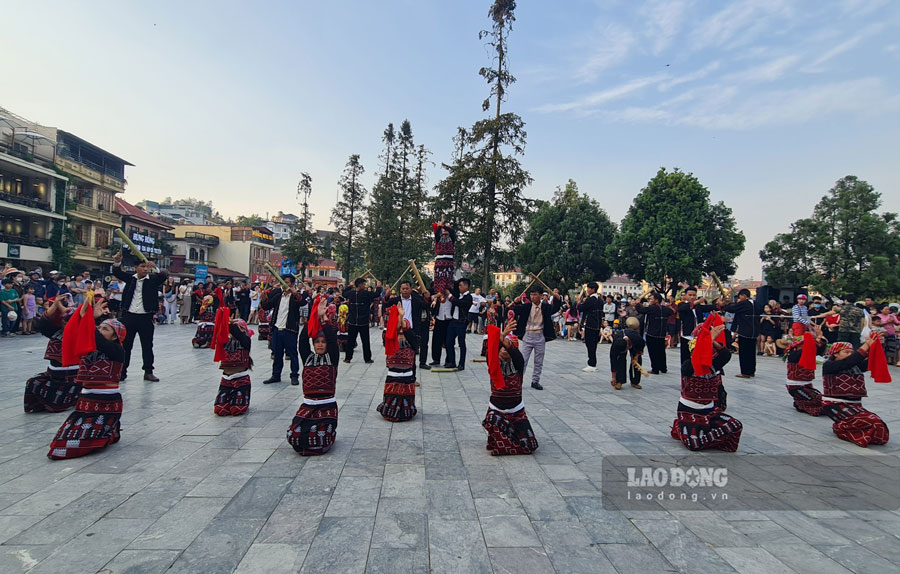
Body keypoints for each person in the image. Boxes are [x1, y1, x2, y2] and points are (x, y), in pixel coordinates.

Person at [47, 297, 127, 460]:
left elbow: (93, 335)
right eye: (99, 327)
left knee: (78, 442)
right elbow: (71, 326)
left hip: (106, 403)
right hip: (85, 401)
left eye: (105, 329)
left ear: (115, 337)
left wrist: (91, 318)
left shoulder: (116, 350)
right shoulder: (88, 344)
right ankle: (110, 429)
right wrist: (84, 312)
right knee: (60, 443)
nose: (99, 330)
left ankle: (109, 429)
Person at [670, 319, 742, 451]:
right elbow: (698, 360)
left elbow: (725, 355)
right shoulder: (688, 365)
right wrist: (706, 340)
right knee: (694, 445)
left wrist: (712, 341)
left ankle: (702, 434)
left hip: (709, 411)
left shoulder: (715, 363)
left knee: (735, 426)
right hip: (690, 411)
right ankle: (680, 427)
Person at [287, 297, 339, 455]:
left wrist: (324, 320)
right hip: (308, 405)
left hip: (327, 406)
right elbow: (303, 340)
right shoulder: (308, 358)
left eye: (323, 342)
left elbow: (332, 340)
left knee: (319, 437)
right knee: (294, 435)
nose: (321, 344)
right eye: (317, 342)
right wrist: (314, 316)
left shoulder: (332, 358)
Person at [482, 321, 539, 455]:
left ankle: (509, 440)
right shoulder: (493, 365)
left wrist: (505, 338)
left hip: (517, 412)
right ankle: (505, 441)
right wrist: (502, 335)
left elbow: (516, 354)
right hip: (497, 411)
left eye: (507, 348)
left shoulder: (519, 364)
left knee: (530, 444)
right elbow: (491, 349)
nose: (504, 350)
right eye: (501, 348)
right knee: (492, 419)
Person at [820, 338, 890, 447]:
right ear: (835, 354)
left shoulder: (855, 366)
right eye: (846, 352)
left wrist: (877, 346)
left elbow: (873, 360)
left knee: (879, 424)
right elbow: (850, 361)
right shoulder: (829, 366)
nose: (849, 355)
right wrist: (866, 345)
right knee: (871, 422)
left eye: (851, 353)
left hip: (854, 405)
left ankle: (846, 427)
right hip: (835, 405)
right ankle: (841, 429)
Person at [112, 252, 167, 382]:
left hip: (145, 317)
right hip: (129, 316)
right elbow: (117, 272)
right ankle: (122, 372)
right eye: (142, 266)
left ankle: (148, 371)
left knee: (147, 345)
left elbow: (163, 276)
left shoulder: (152, 280)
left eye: (147, 267)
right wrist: (117, 262)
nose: (145, 269)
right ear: (136, 267)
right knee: (126, 346)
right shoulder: (130, 278)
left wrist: (156, 268)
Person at [24, 296, 81, 413]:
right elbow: (42, 323)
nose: (66, 323)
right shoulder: (56, 332)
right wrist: (55, 305)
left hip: (71, 378)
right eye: (65, 320)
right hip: (53, 375)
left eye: (70, 320)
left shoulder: (83, 335)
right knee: (32, 382)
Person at [510, 286, 561, 390]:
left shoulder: (546, 307)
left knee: (539, 361)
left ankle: (535, 381)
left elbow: (556, 308)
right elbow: (515, 310)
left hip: (540, 336)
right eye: (531, 295)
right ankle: (519, 381)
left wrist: (557, 298)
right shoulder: (527, 306)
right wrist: (516, 302)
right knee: (522, 360)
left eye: (535, 294)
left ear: (541, 296)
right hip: (528, 335)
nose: (533, 297)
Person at [377, 303, 420, 421]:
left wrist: (402, 320)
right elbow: (392, 332)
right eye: (399, 332)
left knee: (406, 412)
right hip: (393, 378)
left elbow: (409, 333)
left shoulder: (412, 343)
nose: (401, 334)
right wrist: (398, 318)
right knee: (390, 411)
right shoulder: (389, 341)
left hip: (408, 378)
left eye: (403, 332)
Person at [261, 275, 307, 385]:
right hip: (277, 328)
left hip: (290, 329)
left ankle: (294, 375)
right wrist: (263, 298)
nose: (284, 285)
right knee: (277, 354)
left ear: (292, 284)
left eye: (287, 282)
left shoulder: (296, 297)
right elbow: (267, 306)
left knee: (292, 354)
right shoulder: (278, 296)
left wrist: (295, 292)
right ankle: (276, 375)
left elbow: (303, 302)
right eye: (283, 282)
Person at [385, 280, 432, 371]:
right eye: (403, 289)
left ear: (411, 289)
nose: (405, 290)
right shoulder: (396, 300)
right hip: (399, 329)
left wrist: (428, 298)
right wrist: (387, 296)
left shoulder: (416, 300)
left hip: (412, 329)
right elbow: (386, 303)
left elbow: (426, 305)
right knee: (398, 350)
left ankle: (415, 373)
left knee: (413, 351)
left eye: (407, 288)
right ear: (400, 290)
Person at [213, 317, 253, 416]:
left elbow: (237, 334)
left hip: (241, 379)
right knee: (220, 410)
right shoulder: (225, 340)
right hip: (226, 379)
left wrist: (230, 324)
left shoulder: (245, 341)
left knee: (237, 409)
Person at [723, 289, 761, 379]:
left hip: (745, 331)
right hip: (754, 331)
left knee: (744, 352)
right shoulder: (757, 304)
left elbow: (731, 309)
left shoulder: (744, 304)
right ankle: (751, 371)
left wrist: (727, 304)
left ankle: (745, 372)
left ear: (744, 295)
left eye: (739, 297)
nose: (739, 299)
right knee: (752, 352)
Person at [676, 286, 717, 365]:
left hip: (698, 336)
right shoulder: (681, 305)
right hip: (686, 335)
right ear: (685, 296)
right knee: (685, 358)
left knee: (698, 357)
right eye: (690, 295)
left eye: (694, 295)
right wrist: (697, 301)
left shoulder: (699, 307)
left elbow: (710, 307)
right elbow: (684, 308)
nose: (692, 297)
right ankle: (686, 374)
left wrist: (720, 305)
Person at [637, 293, 674, 374]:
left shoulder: (652, 308)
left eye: (651, 299)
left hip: (652, 333)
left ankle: (655, 369)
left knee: (653, 352)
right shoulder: (665, 309)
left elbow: (640, 310)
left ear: (656, 300)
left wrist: (637, 303)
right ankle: (663, 368)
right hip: (662, 334)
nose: (650, 300)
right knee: (661, 351)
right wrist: (668, 305)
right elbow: (672, 312)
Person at [342, 277, 376, 364]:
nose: (365, 286)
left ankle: (348, 358)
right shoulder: (365, 293)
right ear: (360, 285)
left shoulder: (351, 293)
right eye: (364, 284)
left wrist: (349, 286)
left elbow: (344, 293)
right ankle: (366, 359)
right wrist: (379, 287)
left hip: (356, 321)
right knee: (363, 341)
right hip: (360, 321)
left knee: (351, 341)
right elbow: (376, 294)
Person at [443, 278, 473, 370]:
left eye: (461, 285)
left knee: (461, 344)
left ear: (466, 286)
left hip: (461, 323)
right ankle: (452, 362)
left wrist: (450, 296)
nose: (459, 287)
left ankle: (461, 363)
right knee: (448, 342)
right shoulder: (458, 295)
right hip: (453, 321)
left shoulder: (468, 297)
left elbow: (459, 303)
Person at [577, 283, 602, 372]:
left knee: (590, 344)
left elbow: (581, 308)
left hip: (591, 324)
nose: (587, 290)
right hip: (597, 325)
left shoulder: (591, 299)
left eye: (589, 288)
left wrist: (579, 303)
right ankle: (592, 363)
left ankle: (591, 364)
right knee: (593, 344)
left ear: (593, 289)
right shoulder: (599, 299)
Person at [432, 216, 456, 295]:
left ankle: (447, 292)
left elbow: (452, 231)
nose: (445, 233)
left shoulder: (452, 238)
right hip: (440, 261)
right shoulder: (438, 239)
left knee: (448, 278)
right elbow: (437, 232)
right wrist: (441, 225)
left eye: (446, 232)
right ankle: (439, 293)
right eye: (443, 232)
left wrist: (443, 225)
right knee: (439, 278)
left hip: (449, 261)